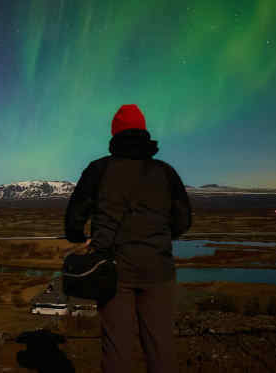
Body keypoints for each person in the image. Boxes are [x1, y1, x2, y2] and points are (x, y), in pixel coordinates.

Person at [64, 104, 192, 373]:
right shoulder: (165, 172)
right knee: (160, 345)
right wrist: (161, 239)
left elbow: (75, 217)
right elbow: (183, 220)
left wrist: (80, 237)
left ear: (115, 133)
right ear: (143, 132)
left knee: (117, 347)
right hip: (158, 269)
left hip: (112, 272)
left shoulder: (99, 169)